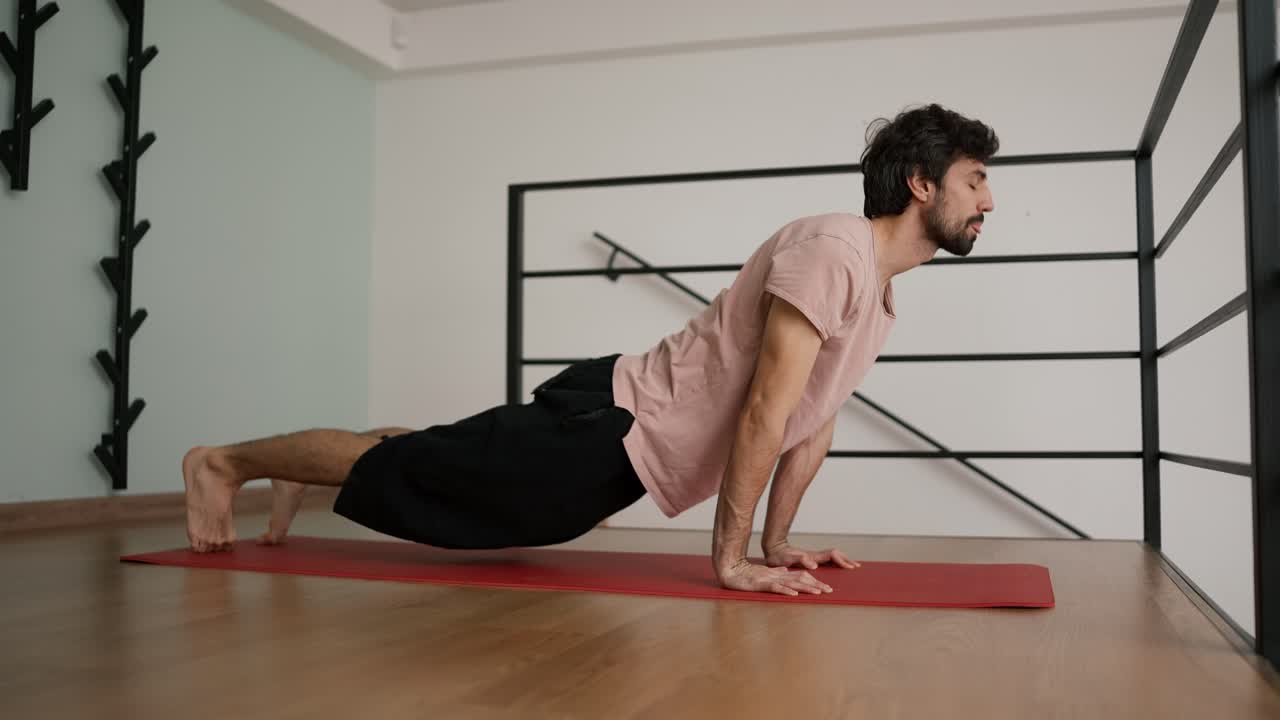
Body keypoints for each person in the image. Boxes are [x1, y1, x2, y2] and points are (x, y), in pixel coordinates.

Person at [182, 103, 997, 598]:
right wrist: (732, 562)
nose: (988, 200)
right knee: (433, 495)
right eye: (974, 179)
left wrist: (777, 545)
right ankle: (222, 462)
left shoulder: (879, 296)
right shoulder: (834, 250)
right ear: (921, 185)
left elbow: (807, 423)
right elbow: (763, 410)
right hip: (609, 423)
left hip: (620, 445)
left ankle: (316, 466)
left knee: (430, 468)